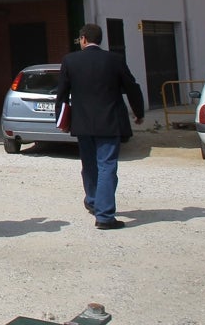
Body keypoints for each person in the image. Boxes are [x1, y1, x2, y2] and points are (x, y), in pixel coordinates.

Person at [54, 23, 145, 230]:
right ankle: (104, 216)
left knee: (89, 164)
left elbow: (61, 94)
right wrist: (138, 112)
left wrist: (61, 120)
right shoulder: (114, 60)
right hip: (109, 122)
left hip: (82, 122)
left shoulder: (70, 60)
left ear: (83, 39)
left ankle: (94, 201)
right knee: (107, 166)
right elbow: (132, 87)